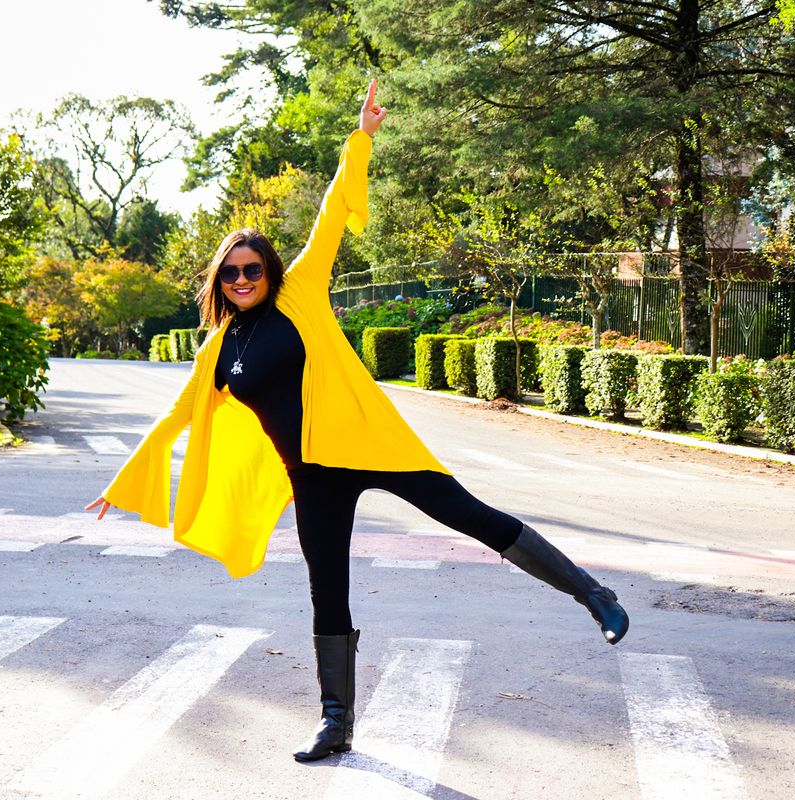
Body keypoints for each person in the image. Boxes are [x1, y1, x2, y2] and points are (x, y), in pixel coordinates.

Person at [87, 79, 628, 763]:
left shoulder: (300, 293)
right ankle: (336, 723)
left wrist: (361, 137)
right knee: (327, 592)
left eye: (252, 269)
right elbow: (178, 415)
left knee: (473, 518)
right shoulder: (217, 349)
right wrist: (124, 479)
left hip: (371, 445)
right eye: (230, 273)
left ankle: (594, 594)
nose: (242, 279)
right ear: (218, 281)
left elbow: (331, 212)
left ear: (269, 270)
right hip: (312, 476)